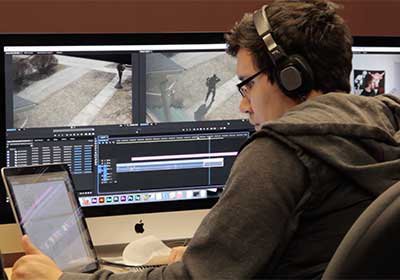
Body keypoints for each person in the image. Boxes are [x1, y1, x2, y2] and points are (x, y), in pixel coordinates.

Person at [11, 0, 400, 279]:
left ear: (289, 77)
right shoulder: (386, 128)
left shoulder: (281, 154)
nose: (245, 105)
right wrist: (213, 257)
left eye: (246, 85)